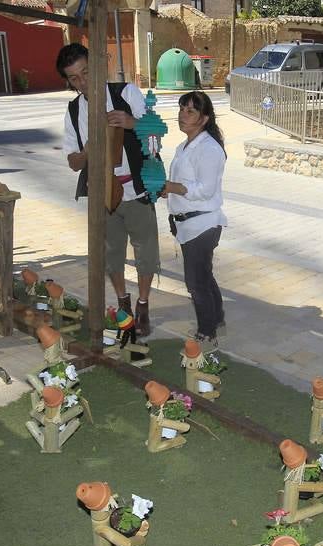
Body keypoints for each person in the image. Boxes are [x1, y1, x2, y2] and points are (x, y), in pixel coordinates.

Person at [56, 42, 159, 336]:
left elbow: (154, 136)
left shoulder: (126, 93)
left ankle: (142, 304)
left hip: (136, 189)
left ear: (97, 66)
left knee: (146, 252)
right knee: (111, 254)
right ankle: (123, 301)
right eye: (74, 78)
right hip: (102, 194)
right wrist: (87, 152)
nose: (82, 82)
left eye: (86, 72)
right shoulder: (74, 111)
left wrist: (131, 123)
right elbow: (73, 162)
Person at [161, 92, 227, 352]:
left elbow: (205, 190)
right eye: (181, 109)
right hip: (188, 224)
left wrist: (173, 187)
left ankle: (207, 334)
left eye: (190, 111)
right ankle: (216, 319)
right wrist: (168, 190)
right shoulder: (185, 146)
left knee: (196, 282)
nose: (182, 115)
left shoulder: (209, 149)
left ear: (204, 118)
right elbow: (183, 184)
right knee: (204, 276)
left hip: (202, 224)